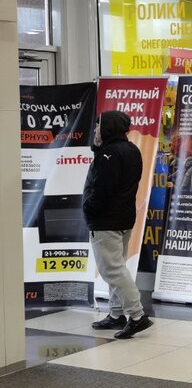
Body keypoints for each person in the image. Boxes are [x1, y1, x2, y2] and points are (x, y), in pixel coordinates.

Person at [83, 110, 152, 340]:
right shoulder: (131, 150)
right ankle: (116, 314)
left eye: (98, 126)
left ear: (108, 128)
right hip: (124, 218)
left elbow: (102, 189)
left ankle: (137, 315)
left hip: (106, 220)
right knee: (118, 267)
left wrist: (89, 208)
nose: (95, 130)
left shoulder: (109, 155)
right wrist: (98, 149)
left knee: (112, 270)